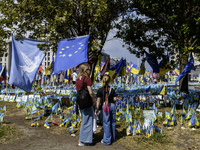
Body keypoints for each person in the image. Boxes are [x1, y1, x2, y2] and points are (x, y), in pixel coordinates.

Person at [75, 63, 95, 146]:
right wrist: (93, 100)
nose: (90, 71)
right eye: (89, 69)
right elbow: (90, 92)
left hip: (80, 101)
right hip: (87, 101)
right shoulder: (87, 79)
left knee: (84, 119)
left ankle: (84, 139)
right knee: (88, 121)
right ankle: (84, 140)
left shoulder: (78, 79)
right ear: (85, 70)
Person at [96, 75, 117, 145]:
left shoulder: (100, 90)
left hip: (105, 107)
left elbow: (98, 100)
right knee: (112, 122)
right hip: (112, 106)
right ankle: (113, 138)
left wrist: (97, 108)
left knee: (106, 123)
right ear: (109, 81)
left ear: (102, 81)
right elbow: (115, 99)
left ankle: (107, 140)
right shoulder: (112, 89)